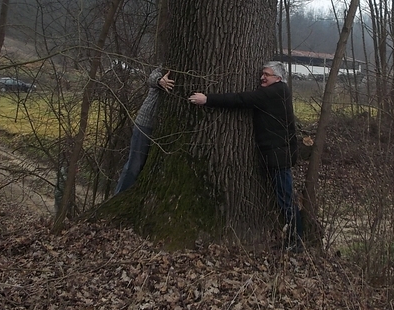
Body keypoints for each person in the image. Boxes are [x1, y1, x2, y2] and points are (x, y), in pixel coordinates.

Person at [189, 61, 302, 249]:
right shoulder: (280, 91)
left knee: (286, 198)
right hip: (278, 153)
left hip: (279, 155)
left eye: (267, 74)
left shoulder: (274, 92)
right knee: (284, 197)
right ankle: (293, 238)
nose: (262, 77)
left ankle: (296, 241)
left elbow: (240, 99)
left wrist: (207, 99)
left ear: (278, 78)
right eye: (262, 74)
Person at [114, 67, 174, 195]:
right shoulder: (164, 66)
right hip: (145, 124)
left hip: (165, 129)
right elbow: (152, 77)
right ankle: (119, 196)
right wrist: (160, 81)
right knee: (134, 165)